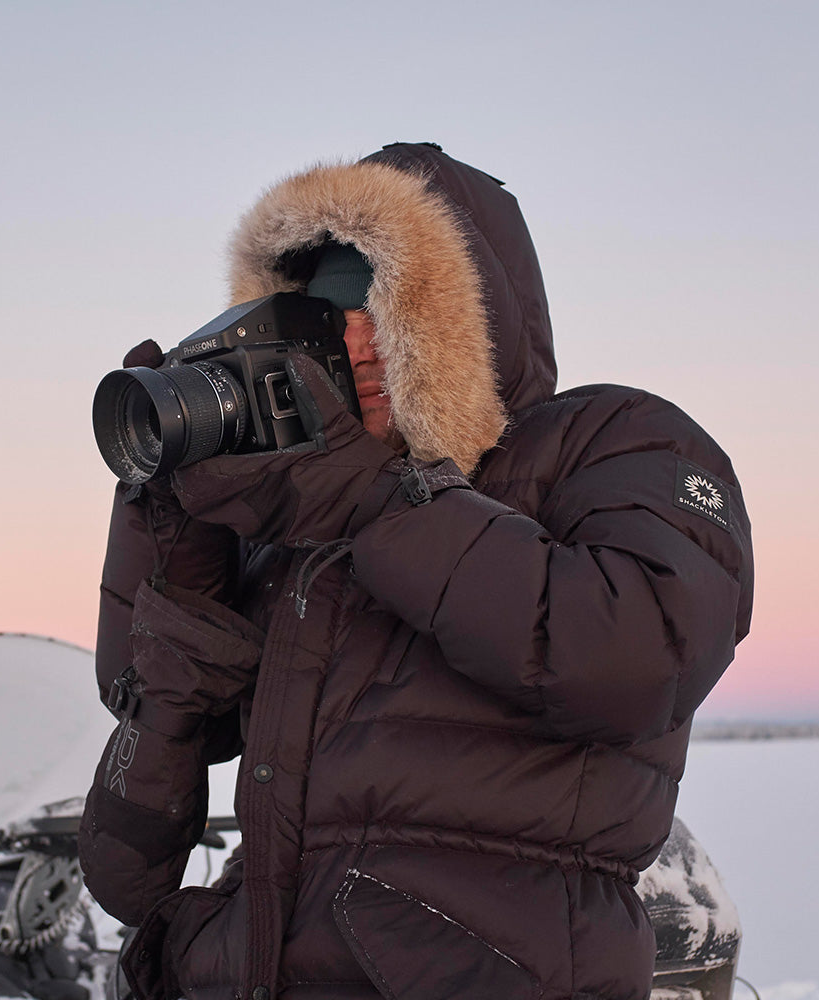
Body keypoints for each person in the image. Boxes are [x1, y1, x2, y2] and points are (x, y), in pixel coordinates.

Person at [78, 142, 754, 1000]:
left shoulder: (614, 440)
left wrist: (370, 500)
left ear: (460, 313)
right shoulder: (306, 532)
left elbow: (635, 654)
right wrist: (182, 554)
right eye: (323, 316)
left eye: (378, 303)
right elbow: (126, 881)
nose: (353, 342)